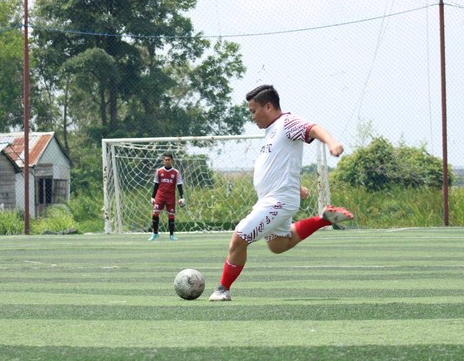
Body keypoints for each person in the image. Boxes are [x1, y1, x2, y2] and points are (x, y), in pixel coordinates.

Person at [208, 84, 354, 301]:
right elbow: (279, 166)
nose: (252, 116)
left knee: (238, 239)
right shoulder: (272, 130)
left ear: (268, 106)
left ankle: (222, 289)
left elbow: (313, 128)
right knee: (279, 245)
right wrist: (295, 186)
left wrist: (332, 143)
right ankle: (323, 219)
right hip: (272, 199)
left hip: (278, 202)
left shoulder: (288, 122)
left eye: (253, 111)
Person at [148, 153, 185, 241]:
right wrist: (153, 196)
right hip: (160, 196)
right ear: (163, 160)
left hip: (170, 196)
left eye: (169, 159)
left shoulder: (176, 172)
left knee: (171, 215)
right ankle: (155, 233)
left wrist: (182, 197)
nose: (167, 161)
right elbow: (156, 184)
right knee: (155, 213)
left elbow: (179, 185)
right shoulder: (159, 171)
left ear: (172, 160)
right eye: (166, 159)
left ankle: (171, 235)